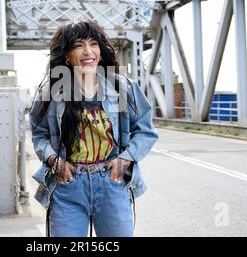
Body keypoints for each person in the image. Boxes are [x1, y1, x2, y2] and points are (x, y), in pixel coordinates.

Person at [29, 20, 158, 237]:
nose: (88, 52)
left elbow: (145, 130)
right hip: (68, 185)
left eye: (93, 44)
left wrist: (125, 160)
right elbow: (39, 133)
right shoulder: (53, 92)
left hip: (111, 183)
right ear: (67, 56)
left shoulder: (122, 88)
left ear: (100, 50)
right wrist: (54, 161)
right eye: (79, 45)